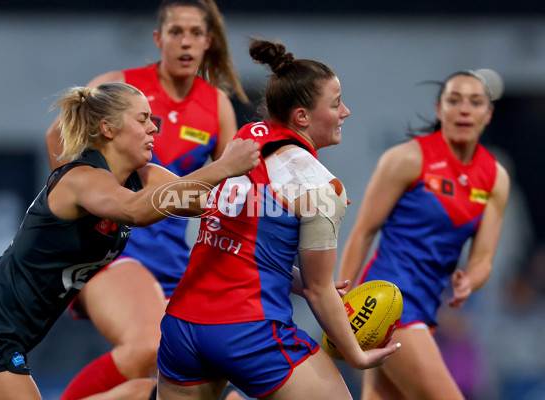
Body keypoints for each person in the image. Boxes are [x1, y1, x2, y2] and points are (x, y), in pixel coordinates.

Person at [0, 82, 260, 400]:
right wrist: (223, 165)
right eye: (142, 119)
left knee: (140, 390)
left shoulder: (143, 177)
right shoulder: (82, 179)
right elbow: (135, 211)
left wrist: (283, 192)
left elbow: (200, 199)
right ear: (108, 129)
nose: (154, 127)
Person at [155, 38, 401, 400]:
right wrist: (356, 355)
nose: (345, 111)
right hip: (248, 331)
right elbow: (320, 291)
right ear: (302, 117)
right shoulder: (321, 187)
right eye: (335, 104)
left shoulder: (245, 140)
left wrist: (297, 281)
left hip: (183, 328)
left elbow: (246, 247)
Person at [44, 1, 249, 398]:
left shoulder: (216, 104)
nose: (185, 42)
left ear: (208, 42)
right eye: (176, 32)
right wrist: (81, 203)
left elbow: (229, 190)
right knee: (148, 349)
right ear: (158, 39)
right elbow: (58, 136)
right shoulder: (122, 86)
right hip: (112, 252)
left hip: (173, 258)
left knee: (194, 371)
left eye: (195, 33)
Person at [337, 69, 510, 399]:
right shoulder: (406, 159)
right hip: (388, 305)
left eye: (475, 102)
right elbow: (363, 231)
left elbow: (484, 258)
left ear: (487, 114)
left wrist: (470, 280)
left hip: (426, 310)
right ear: (438, 109)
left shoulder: (495, 178)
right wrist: (341, 306)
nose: (463, 109)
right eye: (454, 100)